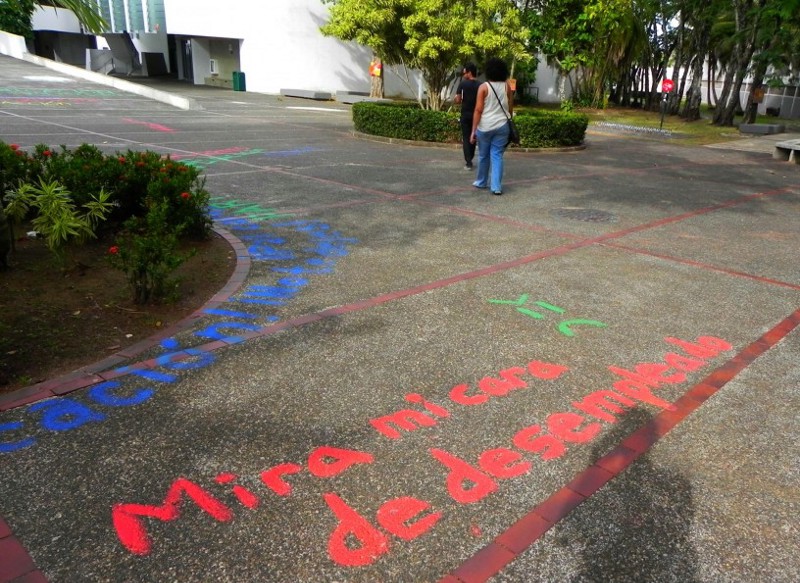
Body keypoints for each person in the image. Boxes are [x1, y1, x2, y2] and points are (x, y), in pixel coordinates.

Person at [470, 57, 513, 195]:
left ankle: (481, 181)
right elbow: (510, 108)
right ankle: (496, 187)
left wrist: (473, 131)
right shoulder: (507, 87)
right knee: (497, 155)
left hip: (485, 127)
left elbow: (478, 110)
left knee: (483, 155)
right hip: (502, 126)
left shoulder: (483, 87)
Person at [454, 63, 480, 170]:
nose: (463, 74)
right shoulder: (481, 85)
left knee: (466, 137)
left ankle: (468, 161)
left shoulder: (463, 84)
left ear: (469, 73)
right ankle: (471, 157)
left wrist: (456, 99)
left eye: (465, 72)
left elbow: (458, 100)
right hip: (477, 115)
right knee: (473, 136)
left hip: (465, 114)